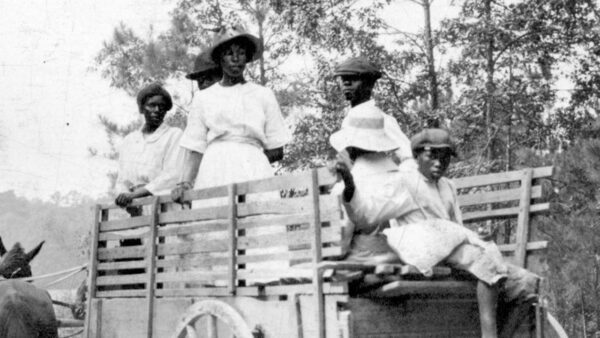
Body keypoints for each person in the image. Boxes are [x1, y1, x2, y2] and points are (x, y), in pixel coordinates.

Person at [335, 128, 538, 338]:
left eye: (445, 158)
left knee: (526, 282)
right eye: (431, 155)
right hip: (424, 254)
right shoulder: (405, 182)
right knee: (487, 264)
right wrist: (350, 185)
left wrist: (480, 235)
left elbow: (457, 227)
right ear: (416, 156)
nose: (439, 163)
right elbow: (367, 214)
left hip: (454, 251)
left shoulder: (448, 186)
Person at [172, 26, 291, 203]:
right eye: (229, 53)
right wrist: (185, 182)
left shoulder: (263, 94)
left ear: (248, 57)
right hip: (215, 169)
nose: (235, 59)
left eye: (241, 53)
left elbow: (276, 148)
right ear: (220, 58)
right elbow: (195, 147)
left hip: (254, 169)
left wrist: (251, 164)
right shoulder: (204, 98)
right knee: (216, 221)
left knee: (258, 222)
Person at [328, 104, 400, 263]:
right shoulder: (399, 175)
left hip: (365, 259)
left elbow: (338, 247)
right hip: (398, 255)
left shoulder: (350, 184)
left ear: (350, 145)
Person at [333, 57, 414, 169]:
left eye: (354, 78)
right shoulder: (349, 120)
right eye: (343, 79)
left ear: (369, 84)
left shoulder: (380, 119)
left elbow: (408, 154)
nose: (347, 83)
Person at [115, 82, 183, 211]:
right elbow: (122, 180)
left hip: (163, 205)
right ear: (142, 108)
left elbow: (172, 175)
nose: (157, 110)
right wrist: (123, 197)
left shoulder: (174, 135)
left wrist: (135, 194)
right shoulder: (130, 140)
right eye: (152, 105)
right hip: (135, 207)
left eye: (162, 106)